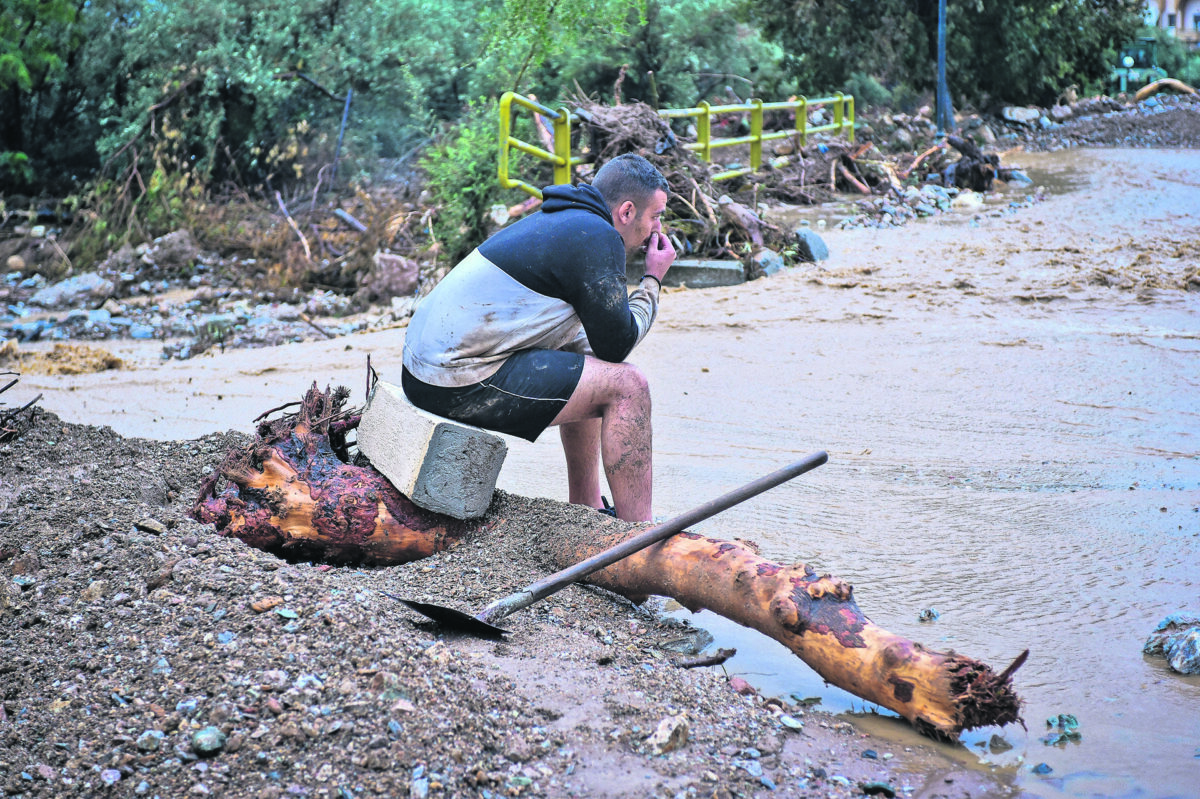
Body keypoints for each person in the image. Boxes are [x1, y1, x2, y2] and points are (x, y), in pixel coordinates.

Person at [401, 153, 676, 522]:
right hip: (454, 379)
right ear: (627, 212)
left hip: (425, 371)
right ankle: (639, 538)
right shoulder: (597, 237)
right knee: (629, 387)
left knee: (585, 355)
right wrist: (653, 280)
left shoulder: (567, 221)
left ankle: (587, 507)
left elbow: (597, 345)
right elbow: (618, 343)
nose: (658, 230)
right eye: (656, 216)